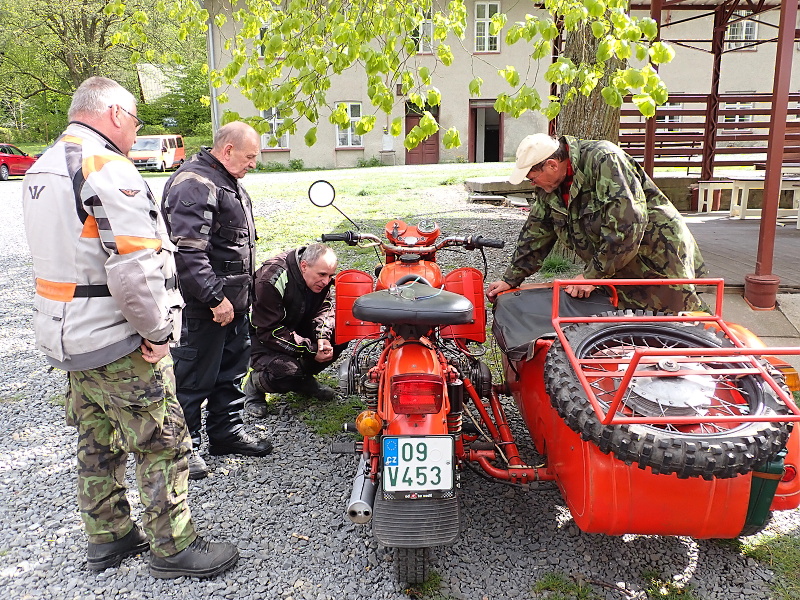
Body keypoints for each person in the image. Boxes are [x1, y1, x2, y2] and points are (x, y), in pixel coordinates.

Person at [22, 76, 238, 578]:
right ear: (115, 113)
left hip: (68, 337)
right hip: (117, 338)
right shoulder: (104, 167)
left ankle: (110, 537)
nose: (134, 131)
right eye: (135, 120)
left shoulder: (41, 167)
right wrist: (157, 332)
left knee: (96, 440)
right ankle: (173, 547)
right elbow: (135, 267)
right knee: (160, 440)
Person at [486, 133, 708, 313]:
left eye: (532, 178)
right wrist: (511, 278)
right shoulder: (550, 187)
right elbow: (536, 231)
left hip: (657, 256)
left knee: (677, 328)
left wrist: (592, 276)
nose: (532, 183)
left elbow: (626, 225)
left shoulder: (605, 159)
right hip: (617, 266)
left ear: (552, 165)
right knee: (624, 333)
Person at [162, 121, 272, 480]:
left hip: (234, 304)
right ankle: (185, 447)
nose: (254, 164)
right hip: (204, 306)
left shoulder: (226, 181)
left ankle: (225, 434)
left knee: (231, 374)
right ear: (227, 151)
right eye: (250, 156)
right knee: (193, 378)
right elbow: (188, 253)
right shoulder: (195, 184)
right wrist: (215, 299)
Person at [243, 243, 346, 417]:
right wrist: (311, 350)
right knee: (287, 372)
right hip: (262, 339)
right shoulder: (270, 279)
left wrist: (323, 337)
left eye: (330, 276)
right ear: (304, 266)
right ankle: (255, 385)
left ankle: (303, 380)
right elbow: (269, 332)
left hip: (295, 326)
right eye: (322, 275)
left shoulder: (318, 278)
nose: (327, 281)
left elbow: (325, 307)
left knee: (341, 336)